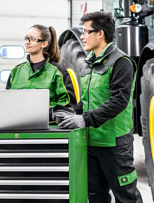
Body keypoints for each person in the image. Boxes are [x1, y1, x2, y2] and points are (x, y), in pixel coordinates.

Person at [59, 12, 142, 203]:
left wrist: (85, 119)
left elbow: (119, 101)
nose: (82, 36)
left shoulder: (120, 62)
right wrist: (73, 112)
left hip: (114, 144)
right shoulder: (88, 65)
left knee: (126, 196)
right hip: (91, 142)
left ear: (100, 34)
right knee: (95, 196)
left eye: (86, 32)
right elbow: (88, 101)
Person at [6, 25, 77, 122]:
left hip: (49, 130)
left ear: (44, 44)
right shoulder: (15, 71)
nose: (27, 42)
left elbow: (68, 105)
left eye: (32, 39)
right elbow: (8, 102)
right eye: (26, 38)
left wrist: (46, 113)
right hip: (19, 127)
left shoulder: (58, 72)